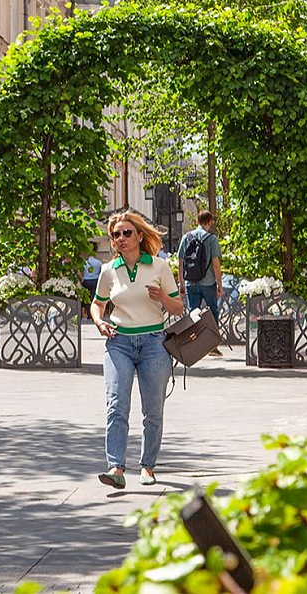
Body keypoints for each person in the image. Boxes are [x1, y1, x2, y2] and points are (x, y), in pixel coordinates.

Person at [90, 209, 184, 490]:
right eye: (116, 234)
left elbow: (178, 307)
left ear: (140, 236)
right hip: (118, 342)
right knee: (116, 404)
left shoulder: (159, 267)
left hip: (153, 343)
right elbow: (97, 304)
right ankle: (116, 467)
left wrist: (163, 297)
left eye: (127, 233)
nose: (121, 238)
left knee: (152, 410)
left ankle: (148, 466)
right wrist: (99, 322)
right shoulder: (109, 271)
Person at [175, 210, 225, 356]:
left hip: (191, 282)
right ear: (209, 222)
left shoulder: (186, 237)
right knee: (212, 312)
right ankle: (211, 346)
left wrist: (181, 284)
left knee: (193, 313)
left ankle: (193, 345)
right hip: (208, 282)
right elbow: (216, 264)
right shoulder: (211, 239)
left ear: (197, 221)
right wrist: (219, 284)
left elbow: (180, 263)